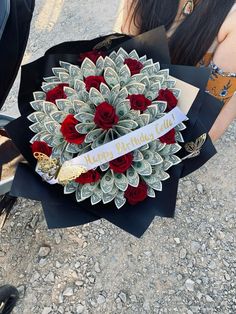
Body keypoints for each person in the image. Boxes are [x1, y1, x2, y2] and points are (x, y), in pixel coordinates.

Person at [116, 0, 236, 141]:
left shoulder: (232, 18)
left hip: (179, 127)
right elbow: (118, 58)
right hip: (125, 104)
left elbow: (213, 113)